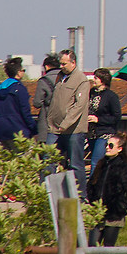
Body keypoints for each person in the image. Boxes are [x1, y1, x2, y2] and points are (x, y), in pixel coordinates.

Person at [44, 53, 94, 194]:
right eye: (60, 63)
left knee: (76, 164)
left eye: (64, 64)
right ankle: (48, 193)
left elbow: (79, 106)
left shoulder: (81, 80)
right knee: (49, 161)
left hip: (73, 130)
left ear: (73, 62)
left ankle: (80, 195)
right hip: (54, 128)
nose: (61, 66)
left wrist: (65, 123)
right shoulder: (60, 77)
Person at [83, 130, 127, 246]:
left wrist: (119, 207)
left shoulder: (124, 168)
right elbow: (91, 185)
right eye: (106, 145)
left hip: (113, 217)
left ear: (119, 149)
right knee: (92, 247)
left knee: (108, 249)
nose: (107, 148)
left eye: (111, 145)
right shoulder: (101, 164)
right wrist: (92, 202)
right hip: (97, 213)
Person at [0, 57, 37, 149]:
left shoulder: (0, 88)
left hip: (2, 130)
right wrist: (33, 128)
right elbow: (25, 111)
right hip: (19, 130)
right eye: (23, 70)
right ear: (18, 72)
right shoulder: (19, 88)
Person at [33, 53, 63, 150]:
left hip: (47, 122)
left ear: (46, 66)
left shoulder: (44, 81)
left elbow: (37, 103)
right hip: (64, 121)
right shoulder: (66, 79)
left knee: (47, 154)